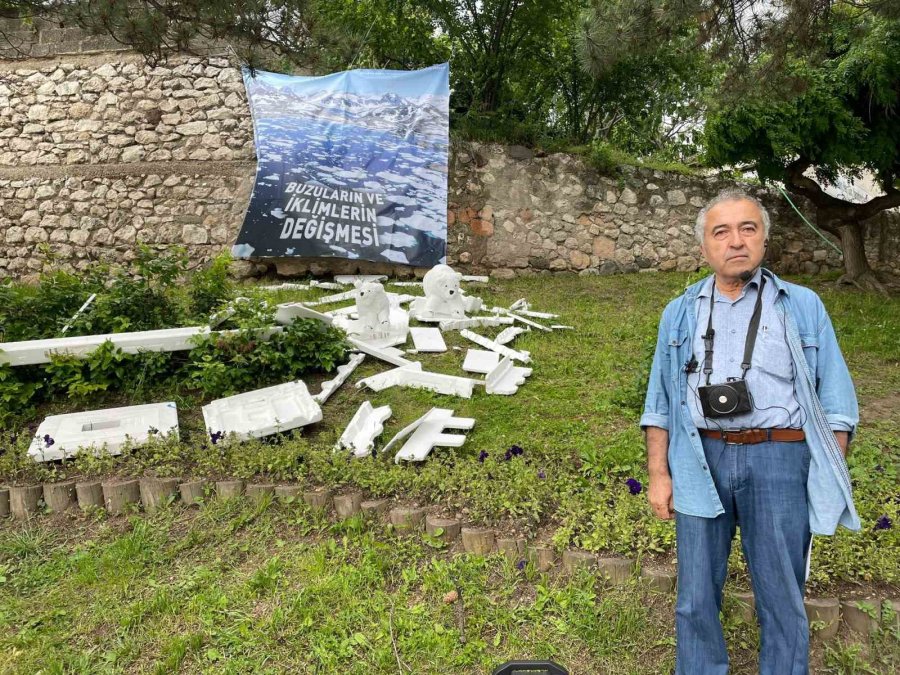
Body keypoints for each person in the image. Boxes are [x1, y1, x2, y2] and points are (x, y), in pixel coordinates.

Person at [640, 190, 860, 674]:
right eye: (721, 231)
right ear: (704, 246)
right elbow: (659, 403)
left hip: (780, 458)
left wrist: (825, 469)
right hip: (700, 458)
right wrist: (659, 472)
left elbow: (837, 403)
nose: (735, 241)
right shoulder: (678, 313)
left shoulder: (802, 306)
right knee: (694, 595)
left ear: (763, 239)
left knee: (781, 596)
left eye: (747, 229)